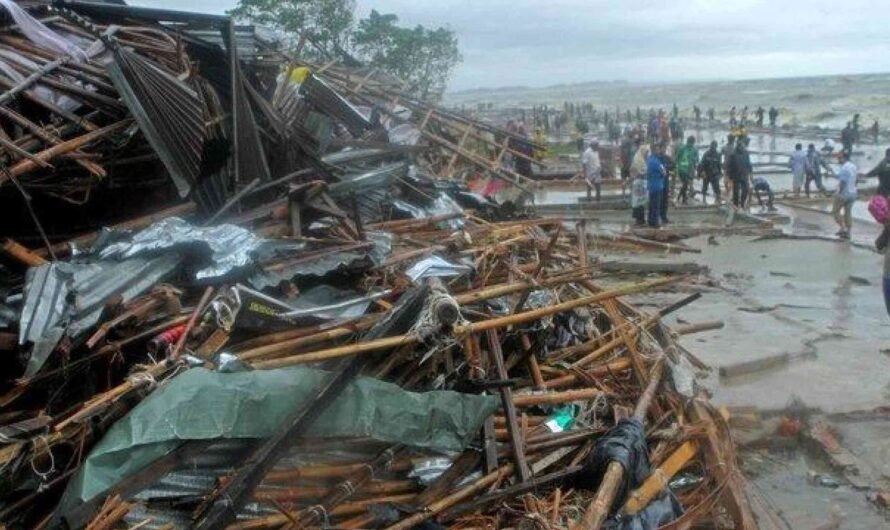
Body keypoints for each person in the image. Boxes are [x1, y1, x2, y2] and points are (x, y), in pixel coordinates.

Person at [833, 151, 858, 239]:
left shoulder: (844, 168)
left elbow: (843, 182)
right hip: (853, 193)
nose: (838, 160)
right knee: (848, 212)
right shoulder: (853, 166)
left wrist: (839, 192)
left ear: (844, 158)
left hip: (845, 193)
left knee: (835, 211)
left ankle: (842, 228)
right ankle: (848, 232)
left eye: (839, 158)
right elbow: (856, 180)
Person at [647, 144, 667, 228]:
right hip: (657, 185)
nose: (659, 151)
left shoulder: (648, 160)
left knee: (651, 205)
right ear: (654, 150)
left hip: (651, 185)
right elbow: (664, 172)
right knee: (656, 205)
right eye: (658, 150)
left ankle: (651, 221)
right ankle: (655, 222)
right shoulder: (656, 162)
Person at [631, 144, 651, 225]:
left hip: (641, 183)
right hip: (639, 183)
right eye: (646, 152)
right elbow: (641, 172)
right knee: (639, 202)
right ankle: (639, 219)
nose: (647, 154)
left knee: (641, 202)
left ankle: (641, 219)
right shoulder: (639, 160)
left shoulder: (640, 158)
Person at [676, 135, 699, 204]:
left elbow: (697, 159)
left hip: (689, 170)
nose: (690, 144)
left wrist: (695, 166)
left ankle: (680, 196)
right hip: (682, 169)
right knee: (686, 183)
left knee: (685, 184)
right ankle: (684, 199)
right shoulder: (682, 148)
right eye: (690, 143)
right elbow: (678, 157)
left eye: (691, 143)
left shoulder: (694, 150)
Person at [728, 139, 751, 208]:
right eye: (741, 147)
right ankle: (736, 205)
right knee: (736, 191)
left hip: (744, 174)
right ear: (738, 147)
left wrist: (750, 173)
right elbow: (730, 166)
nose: (742, 148)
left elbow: (749, 164)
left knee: (746, 189)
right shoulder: (733, 154)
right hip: (736, 175)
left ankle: (742, 203)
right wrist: (730, 176)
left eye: (743, 147)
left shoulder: (746, 153)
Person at [699, 140, 722, 204]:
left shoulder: (718, 155)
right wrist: (702, 172)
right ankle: (704, 200)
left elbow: (719, 165)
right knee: (705, 187)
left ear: (716, 147)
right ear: (710, 146)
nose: (713, 147)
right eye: (712, 146)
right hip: (706, 173)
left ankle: (717, 200)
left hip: (714, 174)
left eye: (714, 146)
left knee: (717, 188)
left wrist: (720, 174)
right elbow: (702, 163)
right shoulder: (706, 153)